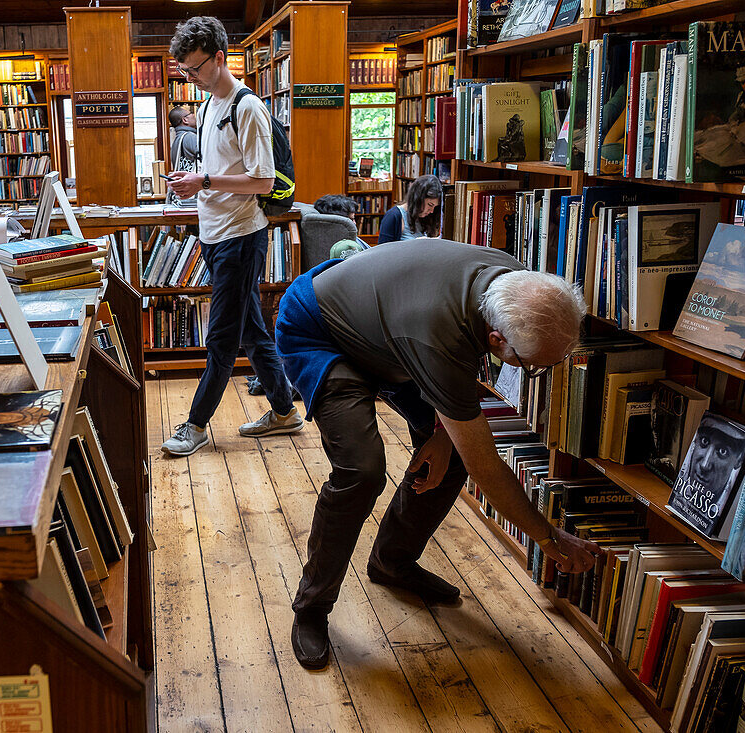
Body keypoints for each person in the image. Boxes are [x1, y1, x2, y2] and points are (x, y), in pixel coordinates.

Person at [273, 238, 600, 670]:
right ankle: (311, 608)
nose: (537, 373)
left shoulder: (518, 286)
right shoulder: (437, 336)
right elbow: (487, 465)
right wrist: (549, 538)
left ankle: (392, 563)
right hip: (320, 329)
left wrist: (446, 436)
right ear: (497, 338)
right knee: (362, 470)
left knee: (454, 456)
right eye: (532, 364)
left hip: (393, 335)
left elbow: (457, 383)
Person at [161, 16, 301, 456]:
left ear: (220, 57)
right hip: (213, 233)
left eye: (197, 69)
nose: (192, 78)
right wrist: (196, 179)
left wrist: (203, 182)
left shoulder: (248, 107)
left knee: (221, 335)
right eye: (185, 71)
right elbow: (220, 170)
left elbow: (261, 180)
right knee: (251, 329)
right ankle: (284, 411)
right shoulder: (205, 108)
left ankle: (197, 423)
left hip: (242, 236)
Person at [378, 174, 443, 243]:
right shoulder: (393, 216)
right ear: (418, 199)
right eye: (430, 205)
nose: (432, 211)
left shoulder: (426, 219)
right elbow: (382, 251)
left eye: (435, 207)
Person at [168, 106, 199, 208]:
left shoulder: (177, 139)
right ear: (185, 120)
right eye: (191, 113)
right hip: (194, 195)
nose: (194, 115)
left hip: (184, 194)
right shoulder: (190, 137)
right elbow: (209, 156)